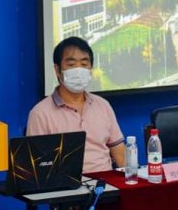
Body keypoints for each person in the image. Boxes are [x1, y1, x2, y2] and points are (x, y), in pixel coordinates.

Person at [27, 37, 125, 173]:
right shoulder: (40, 113)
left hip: (105, 182)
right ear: (57, 70)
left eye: (84, 64)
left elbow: (121, 156)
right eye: (71, 64)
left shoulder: (103, 105)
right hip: (65, 184)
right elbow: (37, 167)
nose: (79, 70)